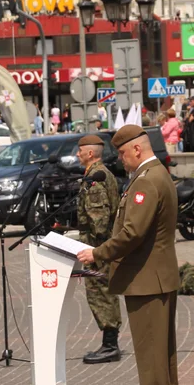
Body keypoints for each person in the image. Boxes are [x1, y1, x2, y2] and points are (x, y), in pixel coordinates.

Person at [76, 125, 180, 385]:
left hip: (148, 278)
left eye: (122, 153)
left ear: (137, 149)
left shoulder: (146, 182)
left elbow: (133, 233)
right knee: (162, 347)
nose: (120, 159)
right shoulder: (156, 175)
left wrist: (98, 253)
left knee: (150, 348)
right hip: (157, 275)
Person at [76, 134, 123, 364]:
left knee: (100, 292)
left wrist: (96, 249)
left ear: (90, 153)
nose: (78, 154)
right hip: (101, 245)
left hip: (98, 246)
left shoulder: (96, 179)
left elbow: (100, 220)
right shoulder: (99, 174)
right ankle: (110, 343)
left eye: (80, 150)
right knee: (104, 291)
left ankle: (110, 345)